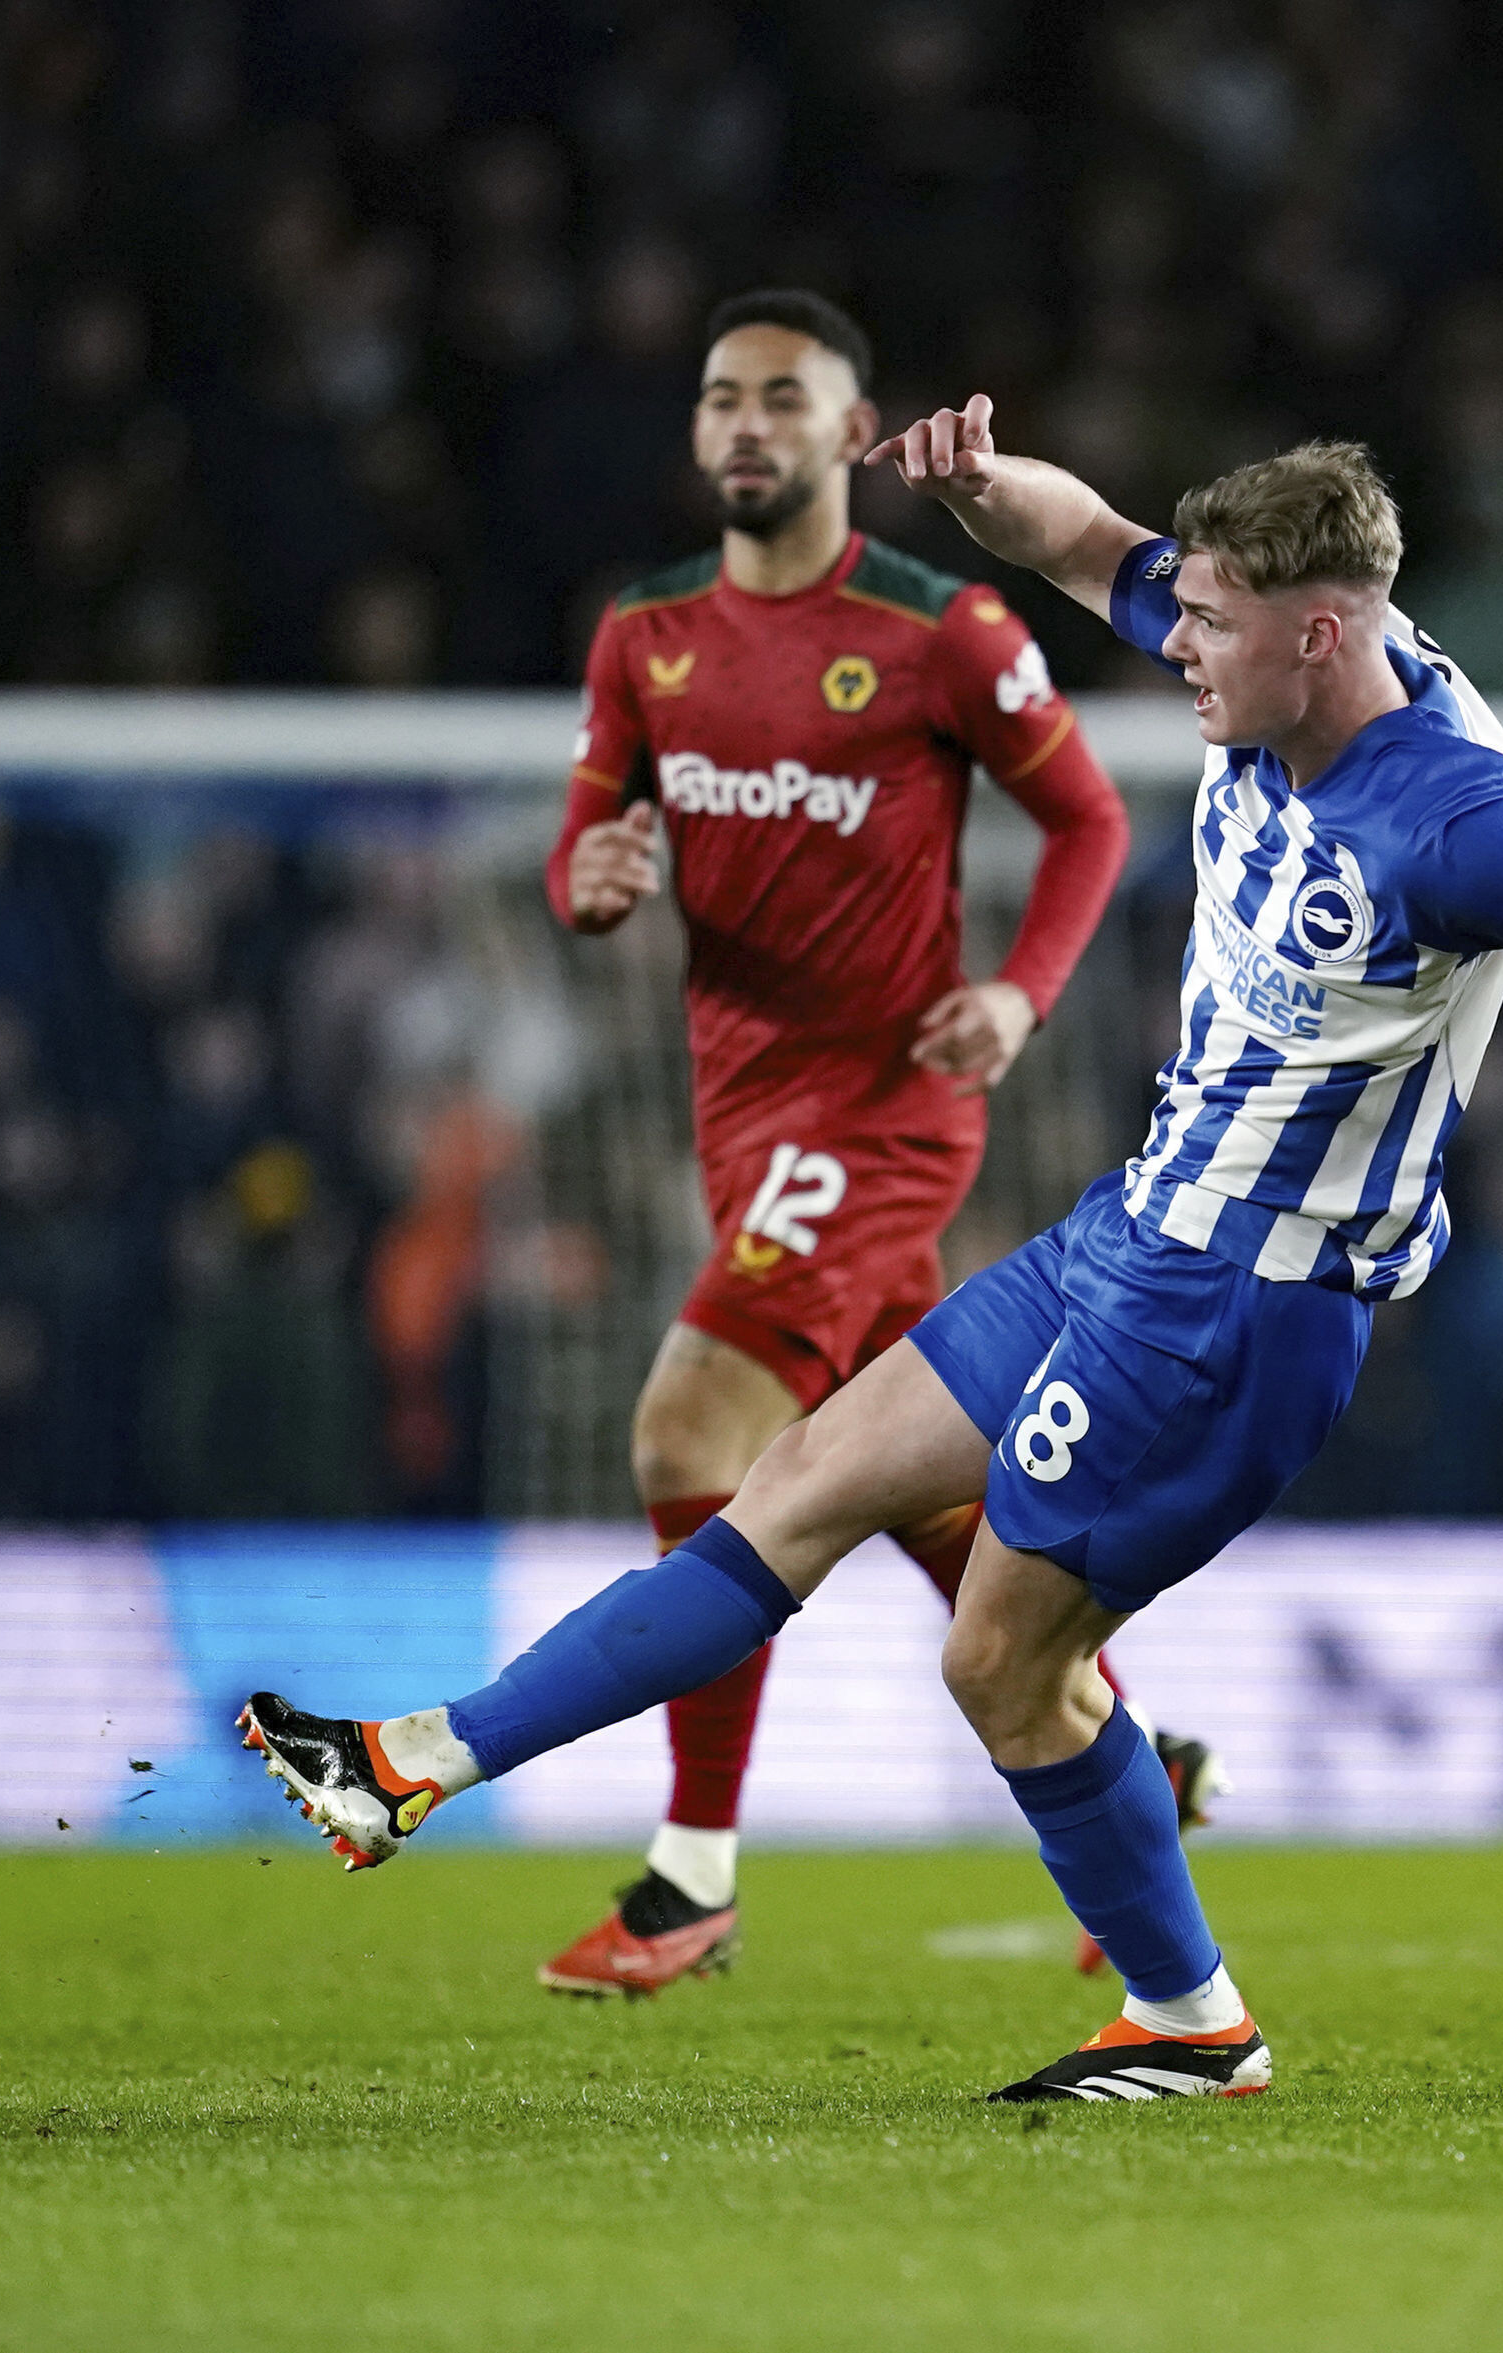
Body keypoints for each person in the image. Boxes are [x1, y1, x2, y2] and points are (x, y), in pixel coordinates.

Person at [237, 408, 1503, 2098]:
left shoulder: (1462, 828)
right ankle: (414, 1758)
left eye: (1210, 629)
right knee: (793, 1478)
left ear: (1321, 631)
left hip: (1242, 1304)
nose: (1177, 651)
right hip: (1127, 1231)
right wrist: (983, 491)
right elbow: (1088, 545)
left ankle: (1191, 2018)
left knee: (1000, 1657)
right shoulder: (1274, 650)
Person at [519, 290, 1156, 1996]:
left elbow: (1090, 817)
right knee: (914, 1482)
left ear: (849, 428)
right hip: (740, 1108)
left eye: (782, 400)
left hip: (889, 1108)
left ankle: (691, 1874)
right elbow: (590, 835)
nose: (746, 426)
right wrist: (587, 885)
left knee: (694, 1414)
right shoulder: (640, 638)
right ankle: (1134, 1771)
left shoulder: (940, 628)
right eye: (722, 399)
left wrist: (1019, 999)